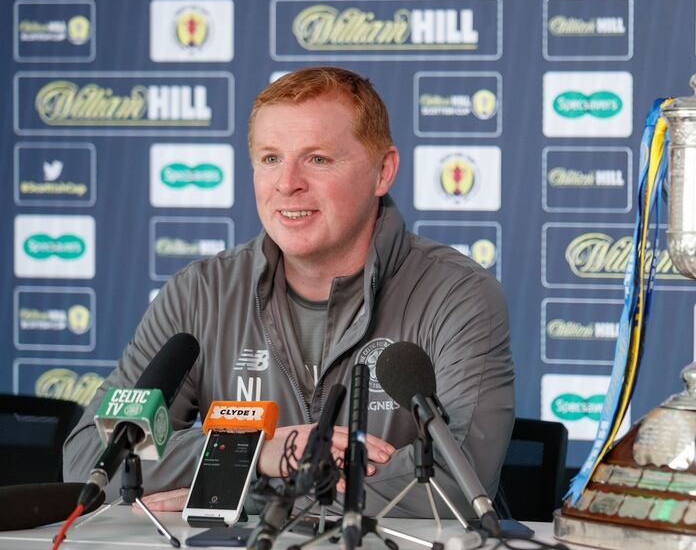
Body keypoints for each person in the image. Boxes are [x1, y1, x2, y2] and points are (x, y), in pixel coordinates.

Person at [62, 66, 516, 518]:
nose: (287, 182)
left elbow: (458, 483)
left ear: (383, 172)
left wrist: (242, 493)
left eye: (317, 159)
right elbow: (88, 462)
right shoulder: (199, 293)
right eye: (270, 158)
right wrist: (255, 450)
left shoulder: (459, 295)